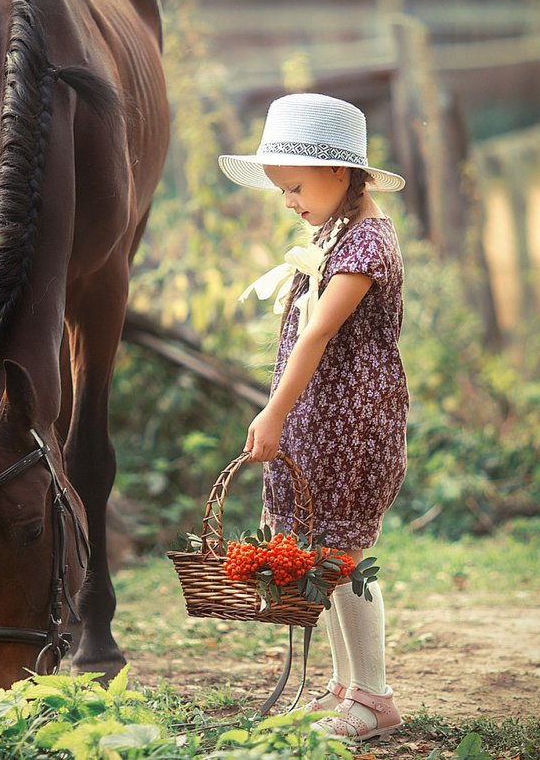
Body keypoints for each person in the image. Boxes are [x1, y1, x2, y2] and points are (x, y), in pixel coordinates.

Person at [219, 92, 409, 742]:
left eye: (295, 187)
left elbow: (318, 335)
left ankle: (375, 697)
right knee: (319, 557)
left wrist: (273, 413)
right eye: (282, 191)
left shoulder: (366, 245)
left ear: (338, 174)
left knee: (343, 557)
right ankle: (344, 687)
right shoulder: (335, 233)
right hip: (321, 421)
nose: (290, 202)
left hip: (352, 426)